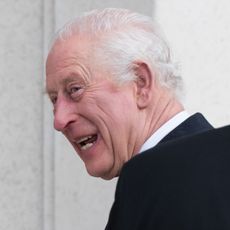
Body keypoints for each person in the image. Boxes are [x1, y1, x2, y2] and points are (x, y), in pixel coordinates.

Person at [45, 8, 221, 228]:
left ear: (141, 82)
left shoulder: (156, 186)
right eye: (54, 100)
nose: (59, 121)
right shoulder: (210, 172)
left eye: (75, 89)